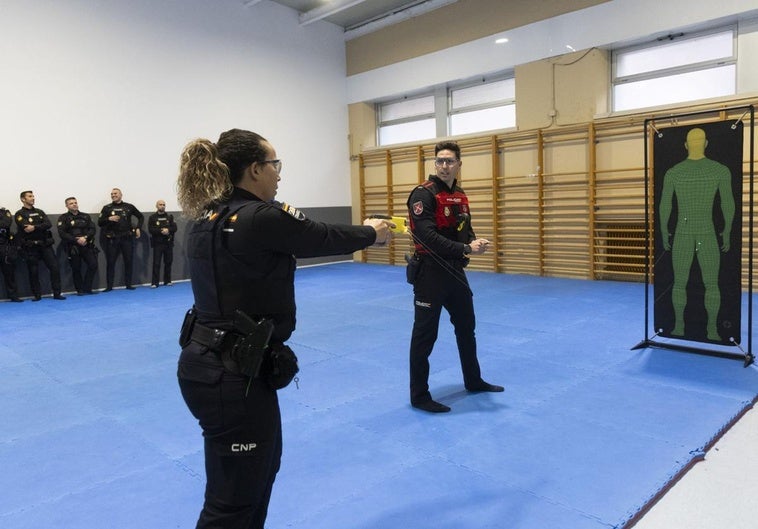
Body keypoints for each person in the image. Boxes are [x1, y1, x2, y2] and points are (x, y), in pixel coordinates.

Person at [175, 128, 392, 529]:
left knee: (256, 478)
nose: (278, 174)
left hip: (215, 366)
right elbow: (321, 236)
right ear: (255, 170)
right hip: (230, 375)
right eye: (275, 165)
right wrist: (371, 233)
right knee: (232, 502)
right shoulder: (259, 217)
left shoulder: (206, 217)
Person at [406, 141, 503, 413]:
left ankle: (473, 380)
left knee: (466, 327)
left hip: (455, 273)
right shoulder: (422, 195)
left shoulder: (460, 195)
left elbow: (464, 229)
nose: (444, 166)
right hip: (429, 274)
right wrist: (464, 248)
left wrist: (474, 242)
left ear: (459, 164)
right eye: (440, 161)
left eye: (449, 161)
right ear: (435, 164)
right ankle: (419, 395)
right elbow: (427, 236)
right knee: (425, 335)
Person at [659, 127, 735, 341]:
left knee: (679, 282)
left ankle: (679, 327)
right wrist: (727, 230)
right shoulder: (719, 170)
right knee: (711, 283)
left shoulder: (674, 172)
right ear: (706, 144)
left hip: (683, 232)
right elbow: (727, 204)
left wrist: (665, 230)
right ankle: (711, 330)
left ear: (685, 146)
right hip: (707, 231)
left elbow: (666, 205)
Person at [15, 191, 65, 301]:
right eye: (30, 196)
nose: (33, 198)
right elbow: (25, 228)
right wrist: (39, 226)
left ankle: (57, 293)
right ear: (23, 199)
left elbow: (48, 224)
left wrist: (35, 227)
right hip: (30, 246)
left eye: (33, 196)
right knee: (33, 271)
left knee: (55, 268)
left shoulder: (40, 212)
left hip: (44, 244)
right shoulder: (19, 214)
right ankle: (37, 295)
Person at [98, 188, 143, 291]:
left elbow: (140, 217)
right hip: (112, 239)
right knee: (110, 263)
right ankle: (109, 287)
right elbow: (100, 223)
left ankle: (128, 285)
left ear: (121, 195)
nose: (113, 195)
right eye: (112, 194)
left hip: (126, 238)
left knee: (128, 261)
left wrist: (138, 228)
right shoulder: (107, 208)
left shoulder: (129, 206)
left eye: (115, 193)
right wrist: (109, 219)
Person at [57, 197, 99, 295]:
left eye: (75, 202)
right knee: (76, 268)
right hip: (73, 247)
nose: (74, 204)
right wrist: (76, 240)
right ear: (67, 206)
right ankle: (79, 289)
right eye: (71, 203)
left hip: (86, 244)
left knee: (93, 265)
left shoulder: (86, 216)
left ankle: (87, 287)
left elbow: (92, 229)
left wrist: (85, 238)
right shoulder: (63, 218)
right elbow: (62, 233)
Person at [147, 199, 177, 288]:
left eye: (164, 204)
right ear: (156, 206)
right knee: (156, 263)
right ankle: (154, 283)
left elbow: (175, 228)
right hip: (158, 243)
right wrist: (161, 231)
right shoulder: (152, 217)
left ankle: (167, 281)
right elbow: (151, 229)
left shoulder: (170, 217)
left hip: (168, 243)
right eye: (160, 204)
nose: (162, 206)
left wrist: (168, 230)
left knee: (168, 262)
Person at [0, 206, 22, 302]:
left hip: (4, 245)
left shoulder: (4, 212)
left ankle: (13, 295)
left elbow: (6, 224)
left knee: (9, 272)